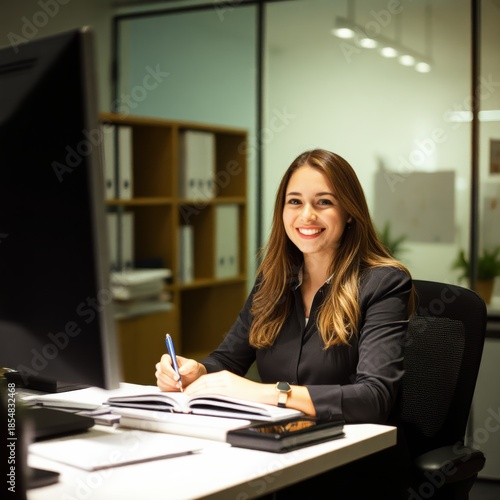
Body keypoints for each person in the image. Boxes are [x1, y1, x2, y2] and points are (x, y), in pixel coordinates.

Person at [156, 148, 415, 498]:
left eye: (324, 202)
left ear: (349, 212)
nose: (306, 215)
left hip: (347, 468)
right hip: (274, 454)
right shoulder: (274, 279)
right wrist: (194, 371)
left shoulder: (383, 283)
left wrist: (267, 393)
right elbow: (228, 361)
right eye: (295, 202)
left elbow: (373, 398)